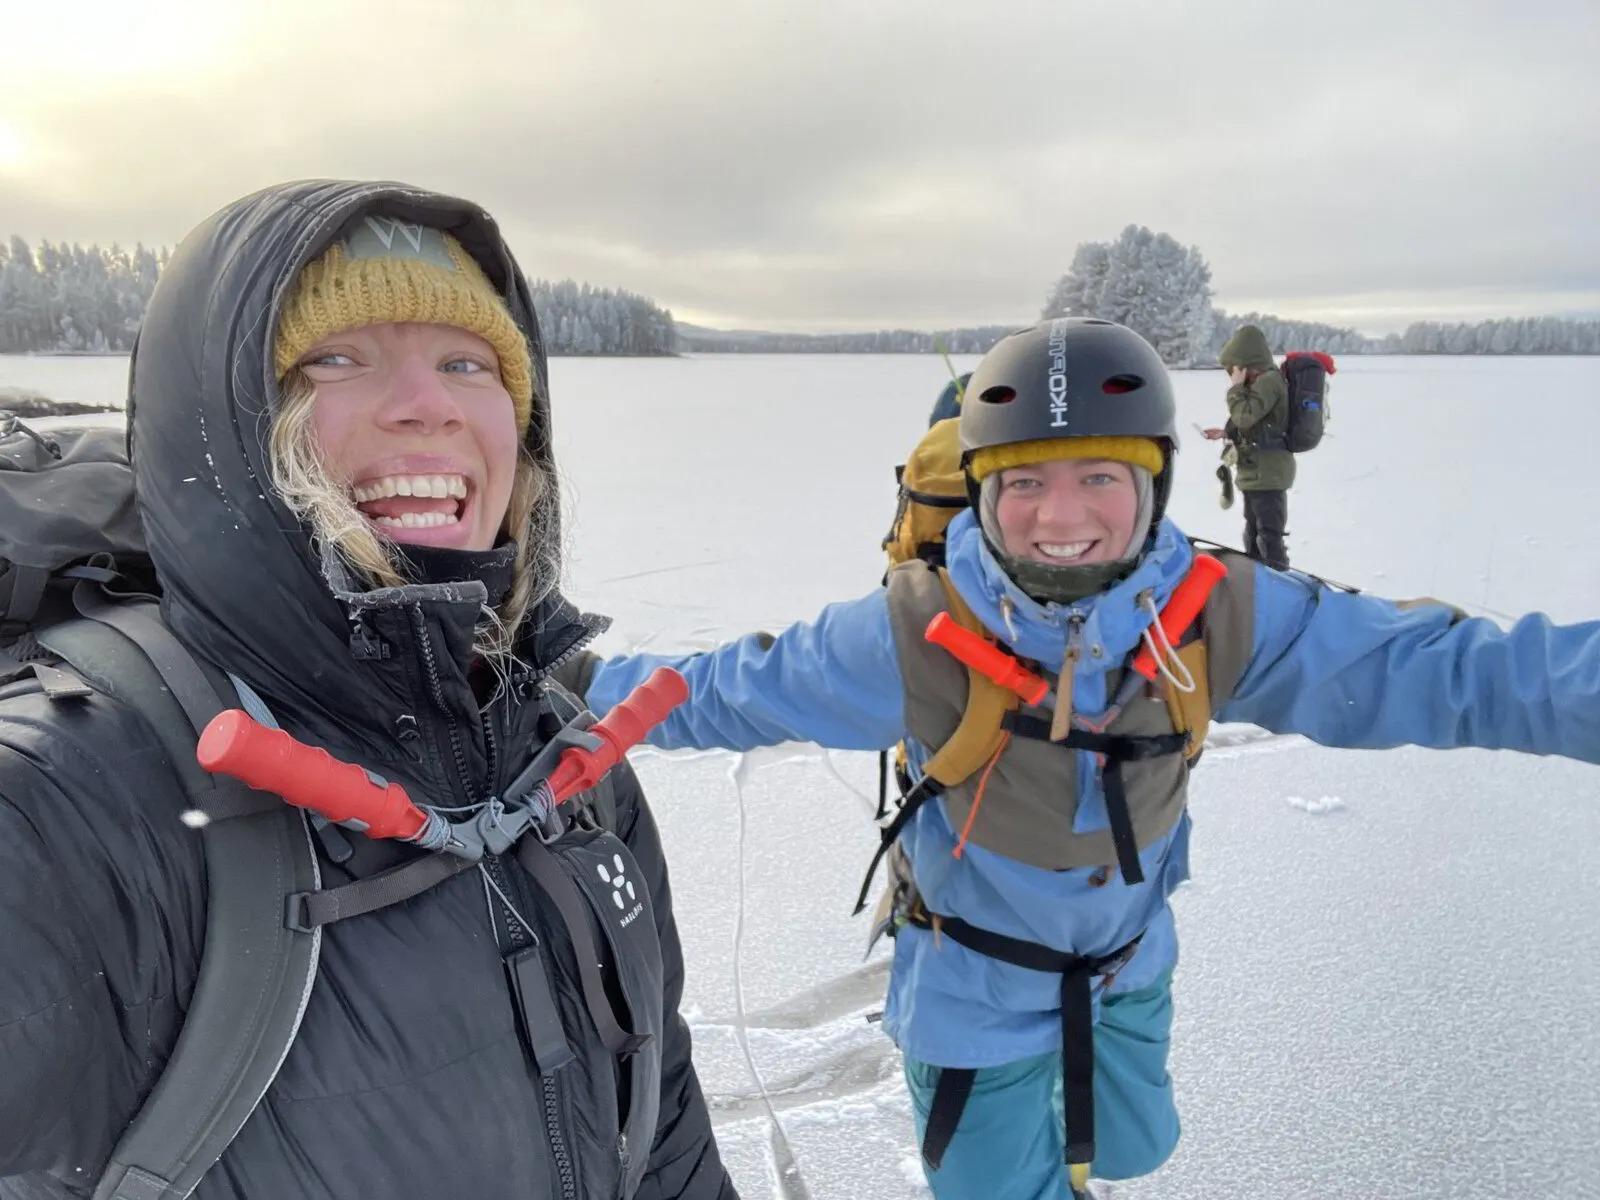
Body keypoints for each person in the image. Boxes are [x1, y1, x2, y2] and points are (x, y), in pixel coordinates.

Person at [567, 318, 1600, 1199]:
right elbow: (720, 691)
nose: (1061, 518)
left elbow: (1457, 671)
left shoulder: (1220, 613)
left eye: (1100, 475)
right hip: (970, 993)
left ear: (1151, 482)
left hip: (1127, 966)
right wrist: (550, 697)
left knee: (1130, 1148)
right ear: (977, 489)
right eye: (1023, 480)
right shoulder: (913, 628)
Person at [0, 181, 735, 1200]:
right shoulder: (58, 804)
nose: (426, 404)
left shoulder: (562, 758)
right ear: (222, 426)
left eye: (466, 362)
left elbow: (658, 1113)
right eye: (333, 360)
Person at [1201, 323, 1291, 568]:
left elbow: (1245, 416)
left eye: (1234, 369)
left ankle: (1279, 585)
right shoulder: (1261, 383)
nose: (1231, 374)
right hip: (1256, 471)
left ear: (1246, 364)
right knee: (1253, 535)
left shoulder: (1269, 381)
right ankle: (1258, 582)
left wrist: (1236, 389)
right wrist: (1225, 432)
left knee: (1269, 538)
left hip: (1268, 472)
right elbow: (1253, 422)